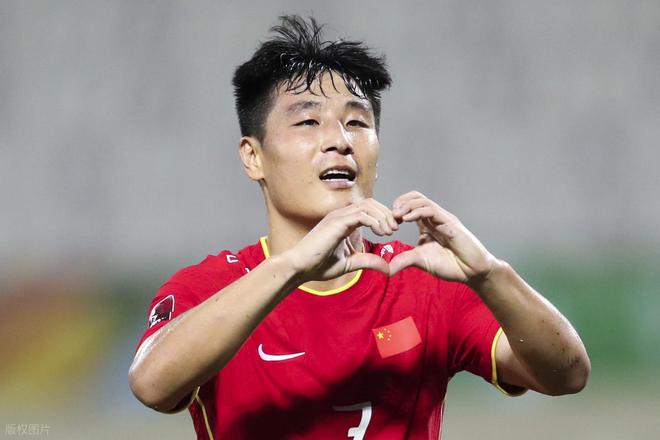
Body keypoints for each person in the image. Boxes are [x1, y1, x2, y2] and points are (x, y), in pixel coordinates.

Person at [129, 15, 590, 439]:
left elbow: (567, 375)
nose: (340, 140)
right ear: (253, 157)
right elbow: (151, 386)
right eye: (308, 121)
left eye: (356, 121)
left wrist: (489, 273)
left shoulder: (423, 282)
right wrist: (292, 267)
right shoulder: (209, 287)